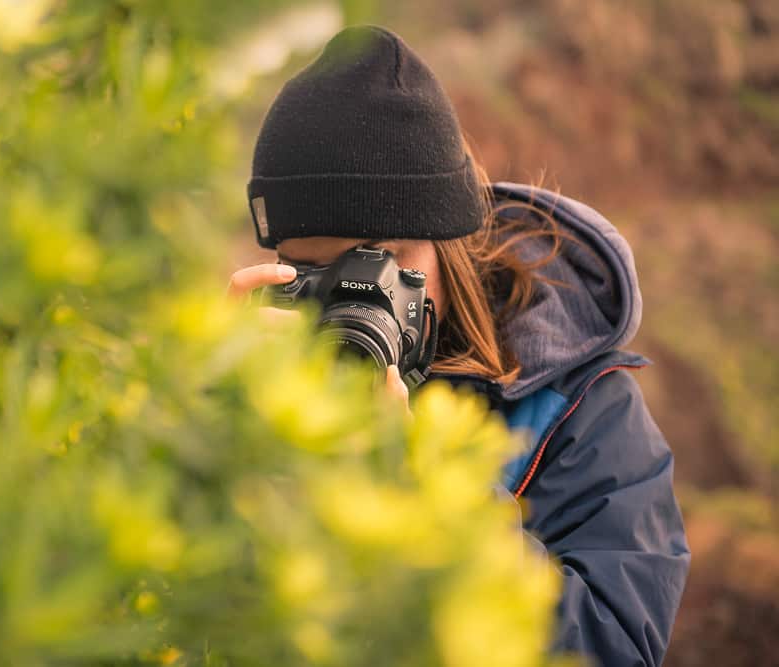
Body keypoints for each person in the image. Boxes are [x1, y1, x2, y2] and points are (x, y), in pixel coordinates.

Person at [226, 25, 690, 667]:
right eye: (316, 274)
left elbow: (615, 649)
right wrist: (214, 426)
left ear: (447, 242)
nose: (351, 304)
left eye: (378, 263)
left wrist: (435, 489)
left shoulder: (581, 410)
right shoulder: (268, 385)